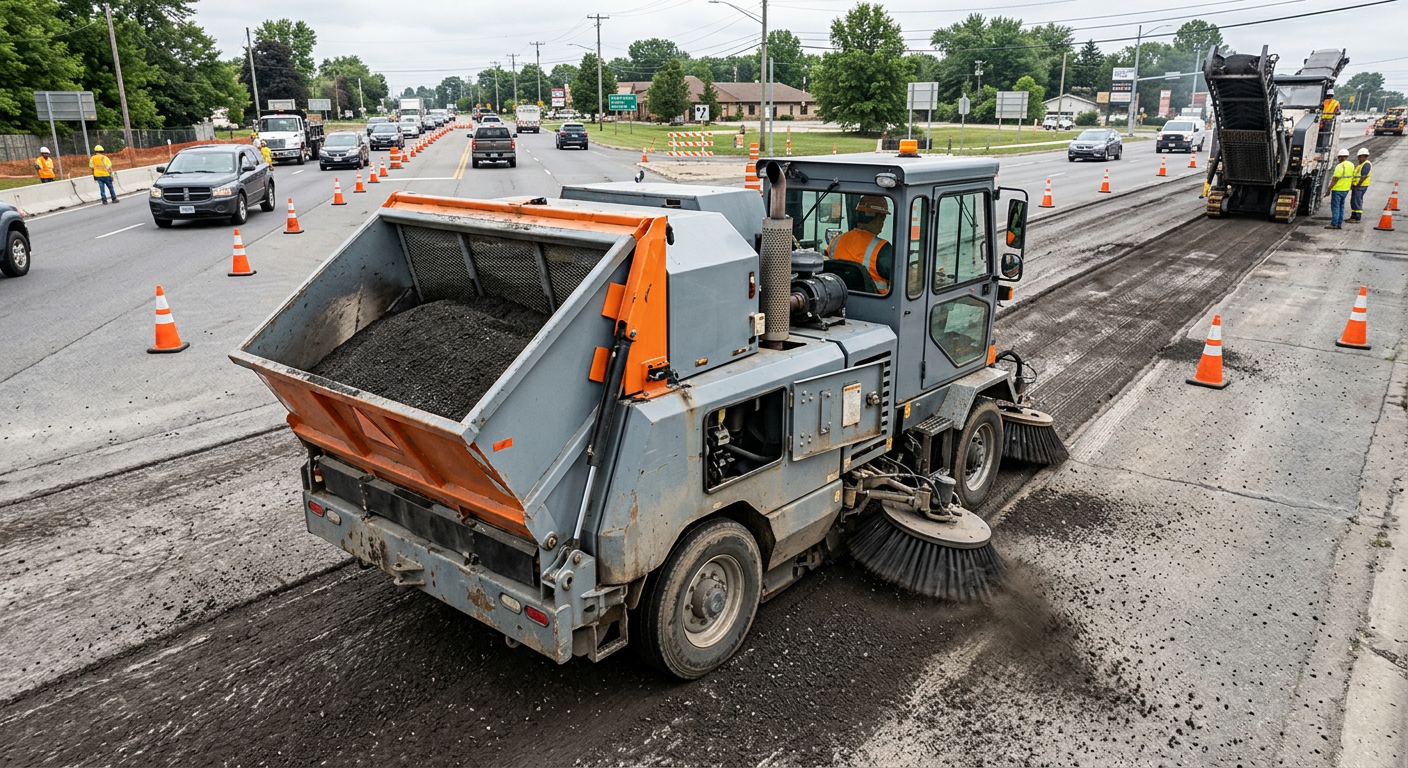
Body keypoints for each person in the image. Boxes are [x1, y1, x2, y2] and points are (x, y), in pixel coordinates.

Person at [828, 195, 893, 293]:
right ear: (878, 218)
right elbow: (902, 278)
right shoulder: (883, 249)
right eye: (882, 218)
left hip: (838, 298)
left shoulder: (836, 240)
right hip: (876, 304)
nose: (882, 224)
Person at [1326, 148, 1353, 229]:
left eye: (1339, 157)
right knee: (1341, 206)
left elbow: (1335, 179)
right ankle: (1339, 223)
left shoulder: (1340, 166)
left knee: (1335, 207)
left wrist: (1329, 189)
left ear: (1341, 157)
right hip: (1346, 190)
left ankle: (1334, 224)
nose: (1338, 159)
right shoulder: (1351, 165)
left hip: (1337, 190)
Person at [1348, 147, 1372, 223]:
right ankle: (1353, 216)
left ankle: (1357, 217)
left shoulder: (1366, 164)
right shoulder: (1361, 165)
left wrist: (1358, 184)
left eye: (1360, 157)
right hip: (1357, 186)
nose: (1358, 159)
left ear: (1364, 156)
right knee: (1354, 201)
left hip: (1360, 186)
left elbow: (1363, 176)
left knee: (1357, 200)